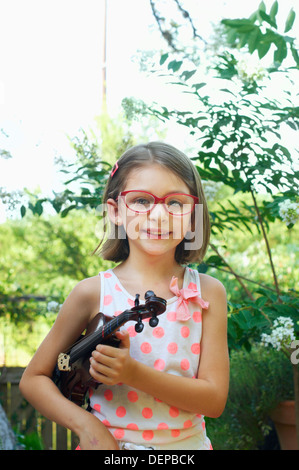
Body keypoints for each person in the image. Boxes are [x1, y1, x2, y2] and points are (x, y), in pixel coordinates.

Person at [19, 142, 229, 450]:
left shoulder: (208, 292)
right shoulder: (91, 292)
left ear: (192, 217)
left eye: (175, 203)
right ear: (115, 211)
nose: (159, 215)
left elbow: (214, 401)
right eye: (142, 200)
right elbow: (34, 379)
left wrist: (133, 373)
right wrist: (87, 427)